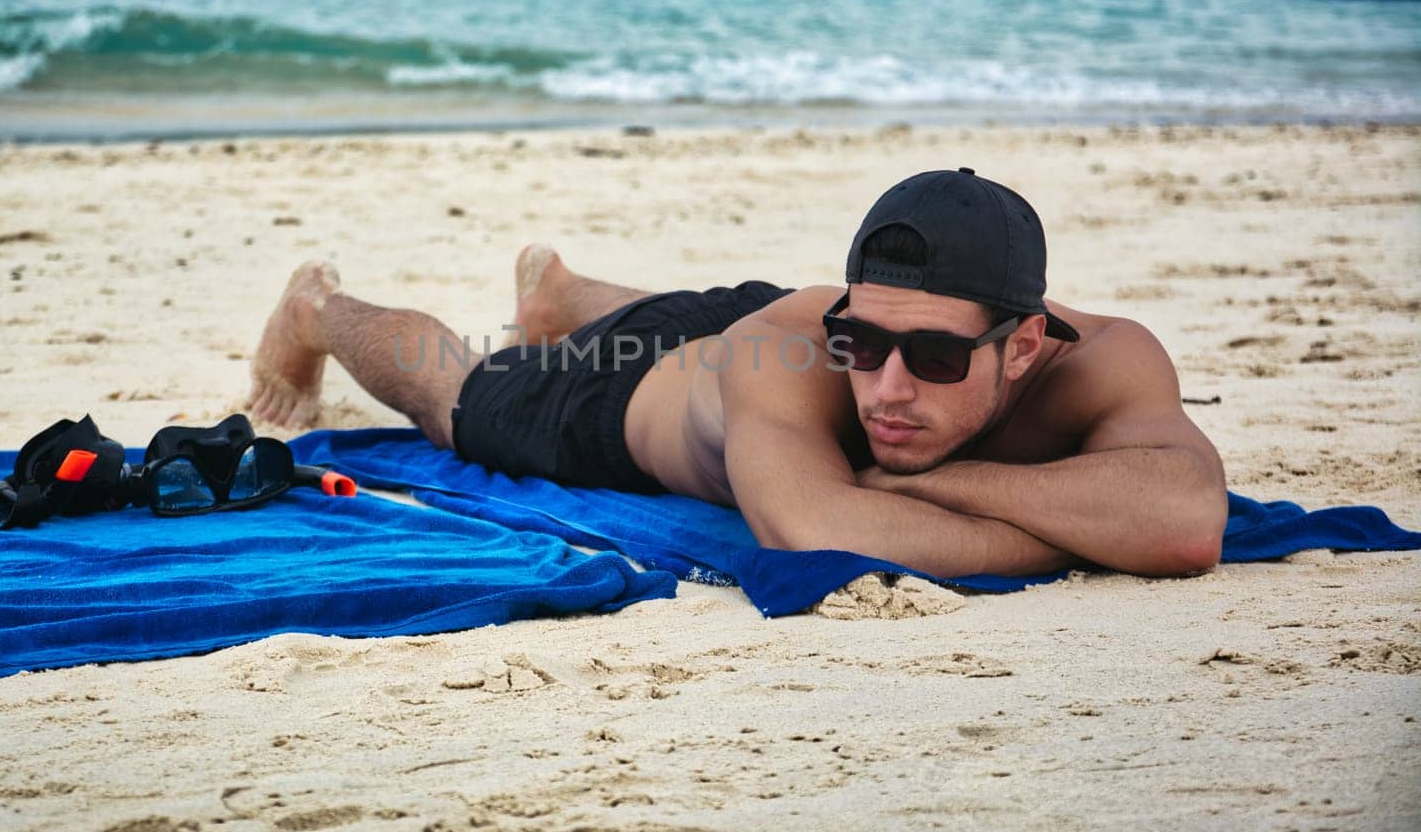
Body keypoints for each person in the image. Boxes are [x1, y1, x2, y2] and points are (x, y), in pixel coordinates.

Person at [246, 168, 1228, 580]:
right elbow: (817, 527)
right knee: (454, 391)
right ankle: (315, 310)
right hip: (633, 395)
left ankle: (565, 292)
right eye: (865, 346)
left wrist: (934, 483)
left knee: (699, 320)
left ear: (1023, 344)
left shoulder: (1105, 355)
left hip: (744, 324)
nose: (886, 388)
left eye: (932, 358)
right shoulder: (805, 350)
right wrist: (1082, 526)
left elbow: (1183, 516)